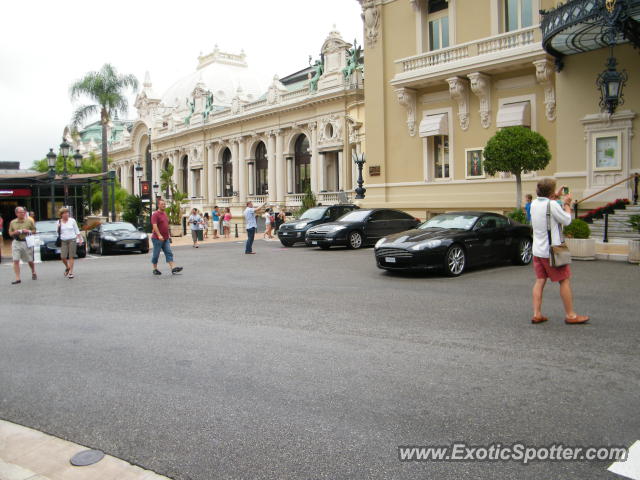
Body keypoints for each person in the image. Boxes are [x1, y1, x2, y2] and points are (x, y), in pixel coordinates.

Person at [530, 178, 588, 325]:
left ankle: (537, 314)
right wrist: (567, 204)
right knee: (564, 280)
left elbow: (547, 204)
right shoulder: (553, 205)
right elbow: (567, 220)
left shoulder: (534, 204)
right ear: (550, 192)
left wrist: (555, 195)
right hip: (552, 251)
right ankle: (571, 315)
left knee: (540, 280)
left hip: (538, 250)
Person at [151, 199, 183, 276]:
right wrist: (159, 235)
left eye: (164, 204)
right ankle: (154, 269)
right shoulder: (155, 214)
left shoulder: (165, 214)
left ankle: (173, 268)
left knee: (169, 252)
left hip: (165, 238)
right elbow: (154, 226)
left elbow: (166, 225)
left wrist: (169, 235)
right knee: (156, 254)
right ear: (158, 205)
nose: (164, 205)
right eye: (162, 204)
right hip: (157, 238)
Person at [8, 206, 37, 284]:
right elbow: (10, 233)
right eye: (21, 212)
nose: (23, 213)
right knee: (15, 260)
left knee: (30, 260)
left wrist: (28, 231)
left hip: (26, 242)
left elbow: (34, 231)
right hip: (16, 242)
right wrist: (15, 232)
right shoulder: (12, 222)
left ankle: (33, 271)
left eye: (23, 212)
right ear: (16, 213)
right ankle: (18, 278)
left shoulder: (29, 221)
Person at [57, 207, 83, 279]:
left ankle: (71, 272)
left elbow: (76, 230)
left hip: (72, 239)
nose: (66, 214)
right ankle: (67, 267)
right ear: (61, 215)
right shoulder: (59, 222)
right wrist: (58, 227)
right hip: (63, 240)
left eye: (67, 213)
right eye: (64, 213)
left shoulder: (72, 221)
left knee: (71, 256)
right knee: (63, 257)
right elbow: (58, 232)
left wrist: (80, 238)